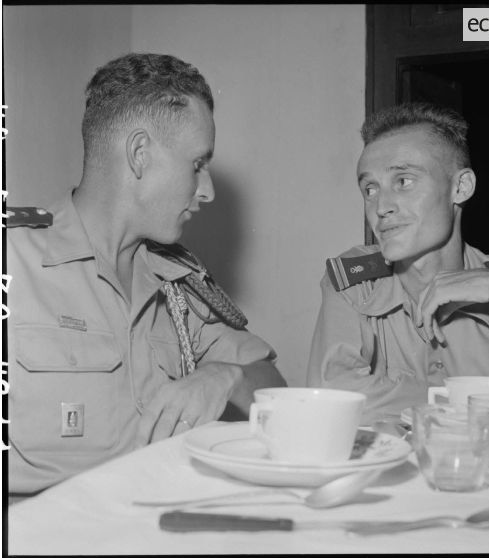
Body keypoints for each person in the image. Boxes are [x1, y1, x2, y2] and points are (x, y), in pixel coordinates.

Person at [7, 53, 286, 496]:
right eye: (197, 164)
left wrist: (224, 376)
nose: (207, 190)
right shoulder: (13, 263)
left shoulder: (178, 279)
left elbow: (274, 391)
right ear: (139, 155)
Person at [307, 102, 489, 423]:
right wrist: (473, 407)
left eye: (404, 181)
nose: (381, 207)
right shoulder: (354, 282)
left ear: (460, 188)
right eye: (370, 188)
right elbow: (330, 396)